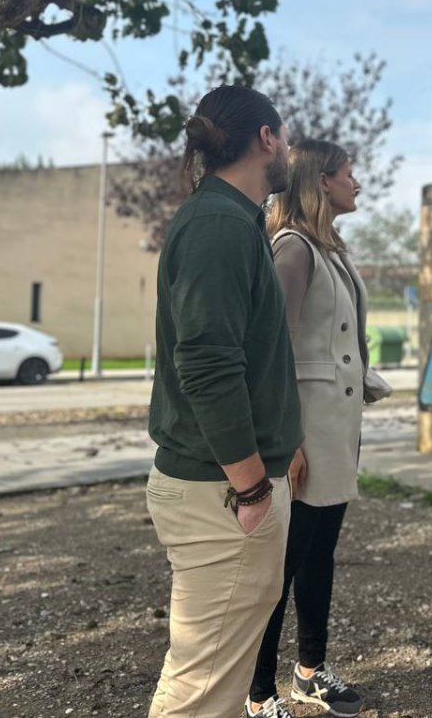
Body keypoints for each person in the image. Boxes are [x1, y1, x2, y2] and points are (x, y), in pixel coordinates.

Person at [144, 85, 304, 718]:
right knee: (200, 693)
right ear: (266, 137)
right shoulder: (217, 224)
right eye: (284, 136)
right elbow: (208, 366)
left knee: (215, 681)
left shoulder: (232, 220)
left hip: (225, 490)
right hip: (223, 494)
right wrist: (251, 489)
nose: (288, 148)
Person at [244, 140, 392, 718]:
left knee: (320, 556)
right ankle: (258, 694)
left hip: (336, 431)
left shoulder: (329, 247)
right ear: (323, 181)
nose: (358, 184)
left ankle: (309, 670)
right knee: (281, 568)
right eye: (350, 174)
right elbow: (273, 344)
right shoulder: (295, 248)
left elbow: (332, 342)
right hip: (306, 434)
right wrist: (290, 441)